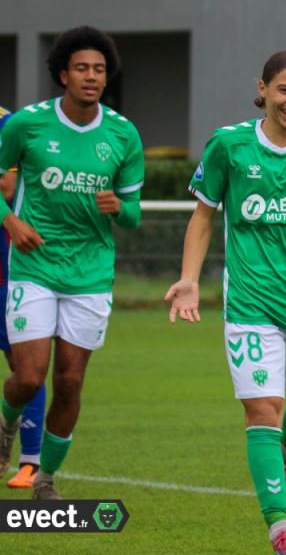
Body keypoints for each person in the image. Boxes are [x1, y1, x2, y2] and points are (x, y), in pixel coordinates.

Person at [164, 51, 286, 555]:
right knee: (263, 408)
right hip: (249, 300)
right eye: (285, 90)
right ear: (264, 89)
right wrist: (189, 279)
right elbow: (204, 216)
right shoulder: (229, 144)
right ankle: (281, 530)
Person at [0, 26, 144, 500]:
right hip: (36, 265)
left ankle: (45, 479)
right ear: (63, 73)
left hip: (90, 274)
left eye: (99, 70)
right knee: (28, 376)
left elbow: (134, 213)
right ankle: (6, 424)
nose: (91, 76)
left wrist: (118, 209)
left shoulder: (123, 134)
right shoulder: (27, 124)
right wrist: (10, 221)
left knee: (70, 380)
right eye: (82, 68)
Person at [0, 106, 47, 490]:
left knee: (25, 367)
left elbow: (7, 188)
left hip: (6, 268)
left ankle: (30, 460)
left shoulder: (8, 122)